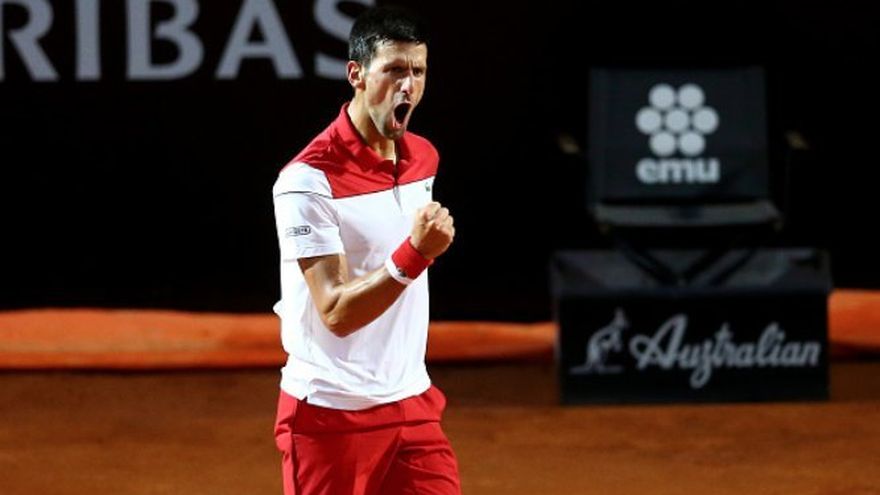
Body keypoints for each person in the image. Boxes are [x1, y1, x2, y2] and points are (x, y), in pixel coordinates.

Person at [271, 6, 460, 495]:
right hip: (330, 414)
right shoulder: (306, 181)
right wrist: (415, 254)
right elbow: (335, 312)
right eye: (394, 70)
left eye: (418, 71)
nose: (408, 86)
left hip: (412, 403)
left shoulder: (424, 158)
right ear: (356, 74)